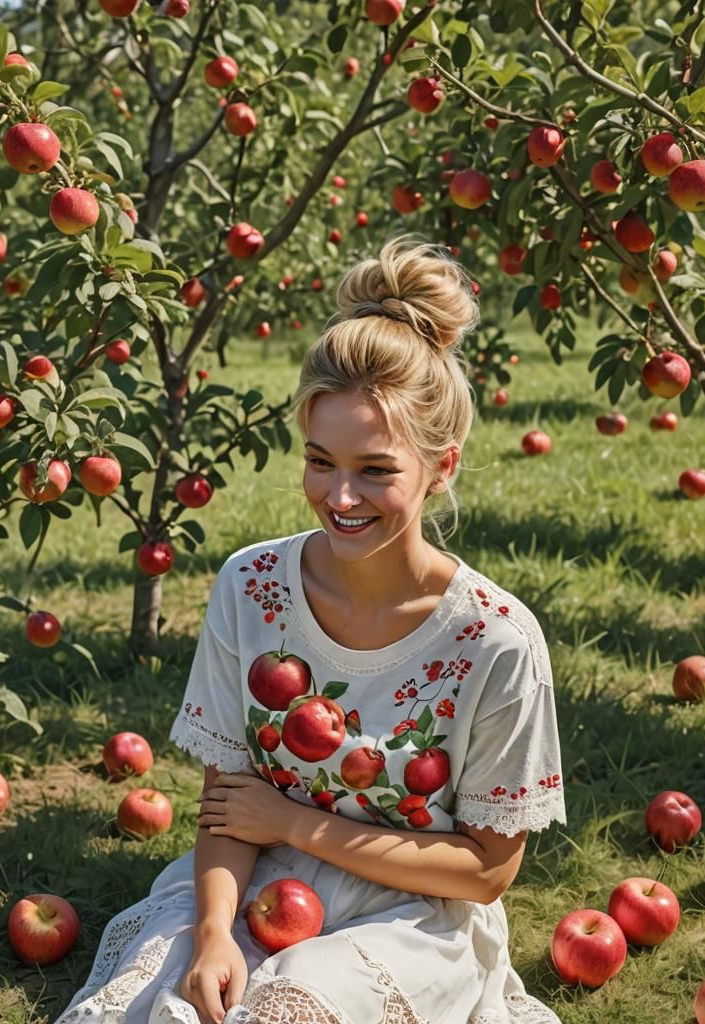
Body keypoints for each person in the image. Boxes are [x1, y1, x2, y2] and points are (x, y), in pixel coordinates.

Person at [56, 234, 566, 1024]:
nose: (341, 495)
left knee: (284, 1012)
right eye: (321, 460)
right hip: (254, 877)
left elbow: (487, 872)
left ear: (443, 466)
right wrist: (217, 933)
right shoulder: (252, 588)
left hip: (416, 915)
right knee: (165, 1008)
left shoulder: (495, 642)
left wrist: (294, 819)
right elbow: (227, 805)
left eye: (376, 469)